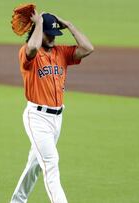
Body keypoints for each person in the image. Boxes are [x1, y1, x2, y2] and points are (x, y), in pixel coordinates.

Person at [10, 10, 94, 203]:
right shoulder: (28, 52)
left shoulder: (61, 53)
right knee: (51, 163)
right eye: (50, 34)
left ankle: (16, 201)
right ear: (40, 32)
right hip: (37, 118)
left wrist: (70, 25)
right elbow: (31, 48)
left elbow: (88, 48)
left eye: (56, 35)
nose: (53, 39)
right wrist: (38, 23)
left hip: (57, 119)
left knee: (34, 165)